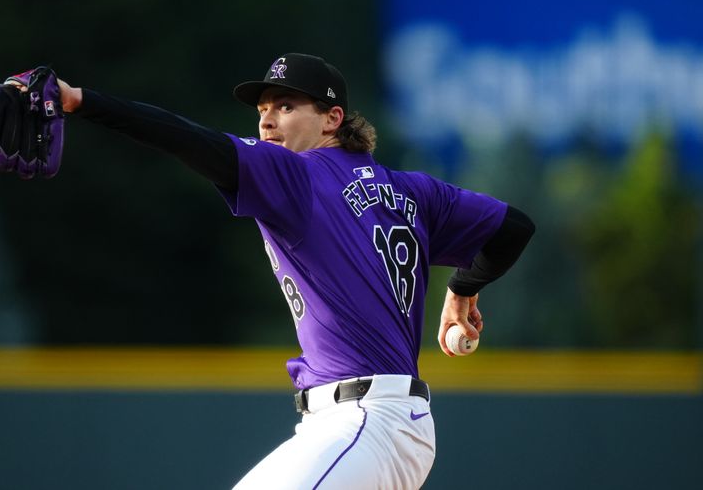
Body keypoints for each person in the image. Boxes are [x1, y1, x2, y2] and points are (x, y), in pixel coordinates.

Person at [56, 53, 534, 489]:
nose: (266, 120)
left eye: (285, 106)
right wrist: (464, 287)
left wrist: (81, 101)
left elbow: (189, 140)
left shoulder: (295, 175)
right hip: (359, 425)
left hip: (367, 421)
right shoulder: (415, 192)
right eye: (262, 109)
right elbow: (512, 228)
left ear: (332, 118)